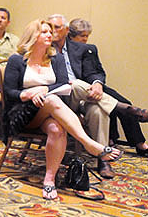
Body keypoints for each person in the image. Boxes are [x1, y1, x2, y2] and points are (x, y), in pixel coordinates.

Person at [3, 19, 122, 200]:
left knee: (57, 129)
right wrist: (28, 94)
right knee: (51, 99)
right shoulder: (17, 60)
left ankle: (49, 180)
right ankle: (88, 143)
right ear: (33, 35)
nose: (49, 35)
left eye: (50, 32)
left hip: (49, 109)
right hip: (23, 112)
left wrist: (43, 91)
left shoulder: (55, 58)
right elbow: (10, 92)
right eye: (44, 32)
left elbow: (62, 83)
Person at [49, 14, 148, 178]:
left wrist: (97, 84)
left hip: (84, 97)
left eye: (57, 27)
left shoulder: (82, 48)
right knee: (75, 84)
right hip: (59, 99)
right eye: (49, 27)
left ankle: (103, 160)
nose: (52, 31)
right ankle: (126, 110)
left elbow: (95, 72)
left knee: (97, 110)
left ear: (66, 30)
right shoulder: (45, 48)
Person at [68, 18, 148, 157]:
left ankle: (139, 143)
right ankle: (112, 140)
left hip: (94, 85)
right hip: (77, 90)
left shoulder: (89, 49)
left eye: (87, 36)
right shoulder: (64, 49)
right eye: (82, 36)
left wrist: (97, 83)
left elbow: (98, 71)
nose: (85, 39)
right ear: (71, 35)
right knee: (110, 106)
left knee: (123, 103)